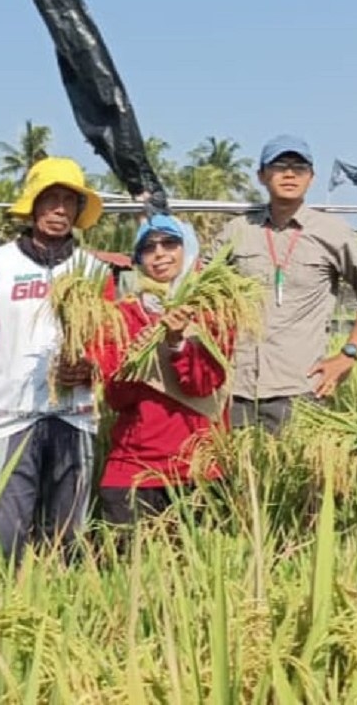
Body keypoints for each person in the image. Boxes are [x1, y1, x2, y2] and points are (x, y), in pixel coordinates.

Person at [0, 156, 112, 561]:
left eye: (69, 201)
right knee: (7, 543)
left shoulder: (94, 272)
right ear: (33, 204)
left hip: (73, 417)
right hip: (9, 419)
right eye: (50, 199)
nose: (59, 209)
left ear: (79, 211)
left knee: (66, 543)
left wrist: (91, 367)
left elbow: (111, 348)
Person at [212, 136, 357, 433]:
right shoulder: (236, 232)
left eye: (299, 167)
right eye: (279, 165)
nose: (290, 173)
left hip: (301, 389)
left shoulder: (333, 232)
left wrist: (348, 355)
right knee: (232, 479)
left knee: (300, 477)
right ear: (261, 175)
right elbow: (199, 293)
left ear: (311, 178)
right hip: (235, 390)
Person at [88, 215, 230, 525]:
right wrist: (138, 359)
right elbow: (117, 397)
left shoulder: (212, 310)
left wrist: (177, 343)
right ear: (138, 259)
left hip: (198, 464)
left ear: (188, 249)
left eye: (170, 243)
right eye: (148, 247)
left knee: (202, 567)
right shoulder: (123, 315)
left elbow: (205, 384)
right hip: (133, 464)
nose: (160, 253)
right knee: (126, 566)